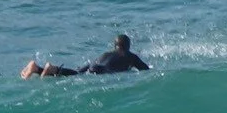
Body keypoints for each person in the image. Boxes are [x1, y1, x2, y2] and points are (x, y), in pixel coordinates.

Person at [20, 34, 150, 78]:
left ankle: (37, 68)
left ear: (115, 45)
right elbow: (146, 70)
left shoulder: (107, 53)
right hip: (103, 70)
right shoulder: (131, 56)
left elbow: (91, 64)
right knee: (77, 76)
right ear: (128, 45)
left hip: (95, 65)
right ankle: (50, 69)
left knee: (77, 73)